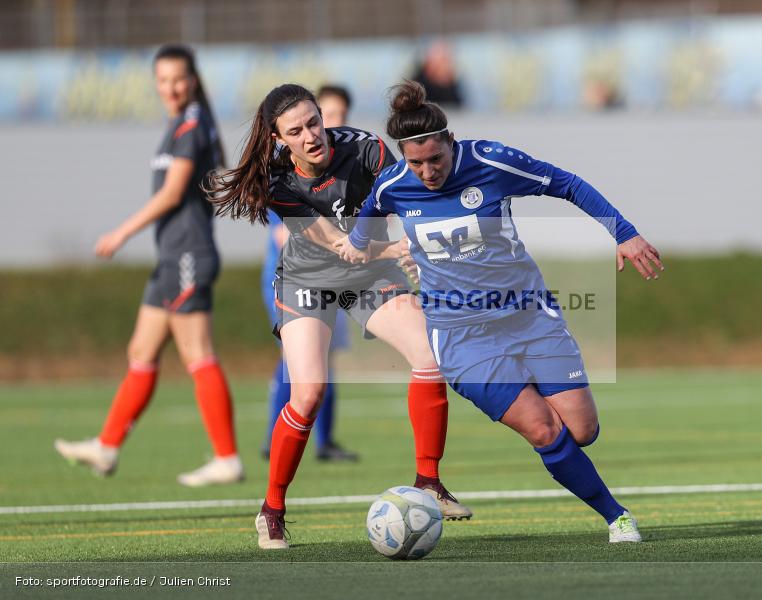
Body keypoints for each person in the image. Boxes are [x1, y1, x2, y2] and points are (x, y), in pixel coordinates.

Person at [337, 81, 665, 543]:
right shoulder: (392, 186)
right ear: (403, 158)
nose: (428, 171)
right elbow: (362, 236)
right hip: (461, 336)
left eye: (436, 159)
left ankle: (529, 385)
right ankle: (617, 517)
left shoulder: (493, 162)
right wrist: (368, 250)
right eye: (416, 163)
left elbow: (566, 183)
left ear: (451, 143)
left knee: (583, 430)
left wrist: (624, 233)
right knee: (543, 428)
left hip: (529, 315)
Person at [207, 83, 472, 550]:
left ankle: (428, 480)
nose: (311, 135)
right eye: (297, 130)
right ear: (277, 138)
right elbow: (337, 244)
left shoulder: (366, 148)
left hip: (370, 276)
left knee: (430, 355)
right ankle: (272, 510)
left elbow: (410, 196)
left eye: (314, 121)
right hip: (309, 281)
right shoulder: (278, 182)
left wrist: (427, 236)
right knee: (307, 394)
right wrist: (401, 249)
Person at [54, 44, 242, 487]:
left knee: (198, 354)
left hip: (189, 255)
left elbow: (174, 193)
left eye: (178, 79)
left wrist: (121, 233)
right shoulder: (180, 124)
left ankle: (227, 457)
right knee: (141, 351)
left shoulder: (193, 125)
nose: (170, 88)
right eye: (162, 80)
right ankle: (107, 446)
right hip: (170, 259)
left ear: (192, 80)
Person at [260, 84, 358, 462]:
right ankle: (275, 440)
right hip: (293, 279)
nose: (325, 127)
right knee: (296, 361)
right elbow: (285, 233)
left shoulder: (349, 164)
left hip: (339, 276)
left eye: (336, 117)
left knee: (325, 361)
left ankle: (325, 442)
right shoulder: (284, 174)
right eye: (326, 114)